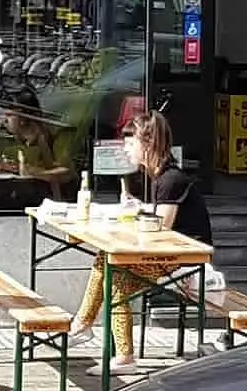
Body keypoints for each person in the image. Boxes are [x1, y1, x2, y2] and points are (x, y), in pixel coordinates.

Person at [67, 111, 213, 376]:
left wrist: (136, 214)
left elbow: (162, 229)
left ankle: (116, 351)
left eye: (130, 143)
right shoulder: (161, 177)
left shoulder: (171, 179)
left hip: (185, 261)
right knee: (104, 259)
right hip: (169, 254)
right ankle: (85, 326)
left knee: (116, 279)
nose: (126, 149)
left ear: (148, 144)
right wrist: (140, 208)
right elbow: (159, 218)